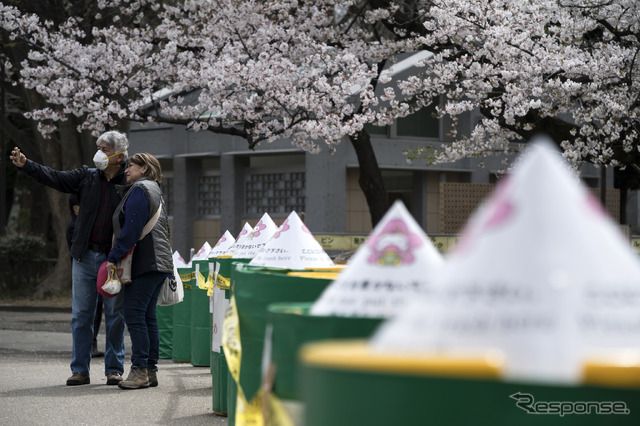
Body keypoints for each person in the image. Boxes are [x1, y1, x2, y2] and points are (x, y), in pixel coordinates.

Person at [10, 131, 128, 386]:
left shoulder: (130, 181)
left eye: (105, 149)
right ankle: (80, 370)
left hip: (115, 260)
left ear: (120, 154)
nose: (99, 153)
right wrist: (27, 165)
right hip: (85, 256)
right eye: (98, 147)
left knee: (115, 315)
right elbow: (56, 177)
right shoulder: (87, 177)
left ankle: (114, 369)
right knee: (81, 315)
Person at [106, 153, 173, 389]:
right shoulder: (155, 190)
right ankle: (150, 370)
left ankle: (139, 370)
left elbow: (131, 228)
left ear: (144, 167)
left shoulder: (139, 190)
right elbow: (165, 230)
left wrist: (114, 257)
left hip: (145, 261)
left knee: (134, 314)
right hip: (160, 263)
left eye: (131, 165)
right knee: (147, 317)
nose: (126, 170)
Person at [67, 195, 104, 358]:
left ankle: (92, 343)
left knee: (98, 309)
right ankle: (89, 345)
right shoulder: (74, 226)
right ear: (76, 208)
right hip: (84, 270)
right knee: (86, 312)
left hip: (98, 270)